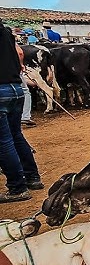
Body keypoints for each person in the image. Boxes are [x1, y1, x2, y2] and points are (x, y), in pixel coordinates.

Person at [0, 19, 43, 203]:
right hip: (16, 89)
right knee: (16, 135)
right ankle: (32, 177)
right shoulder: (6, 31)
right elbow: (19, 52)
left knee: (3, 142)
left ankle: (17, 187)